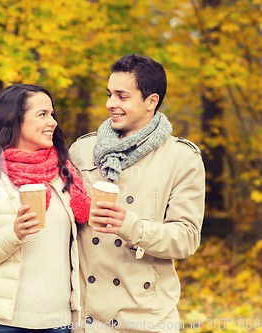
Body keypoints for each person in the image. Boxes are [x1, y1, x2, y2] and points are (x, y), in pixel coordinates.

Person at [69, 54, 206, 332]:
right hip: (84, 317)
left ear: (151, 101)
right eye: (109, 94)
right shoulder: (82, 150)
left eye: (122, 96)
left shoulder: (181, 158)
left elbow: (186, 239)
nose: (110, 104)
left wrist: (131, 226)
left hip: (144, 317)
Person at [0, 83, 92, 333]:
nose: (53, 122)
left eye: (52, 114)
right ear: (15, 120)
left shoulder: (66, 175)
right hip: (0, 324)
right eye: (42, 114)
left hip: (58, 322)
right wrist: (13, 233)